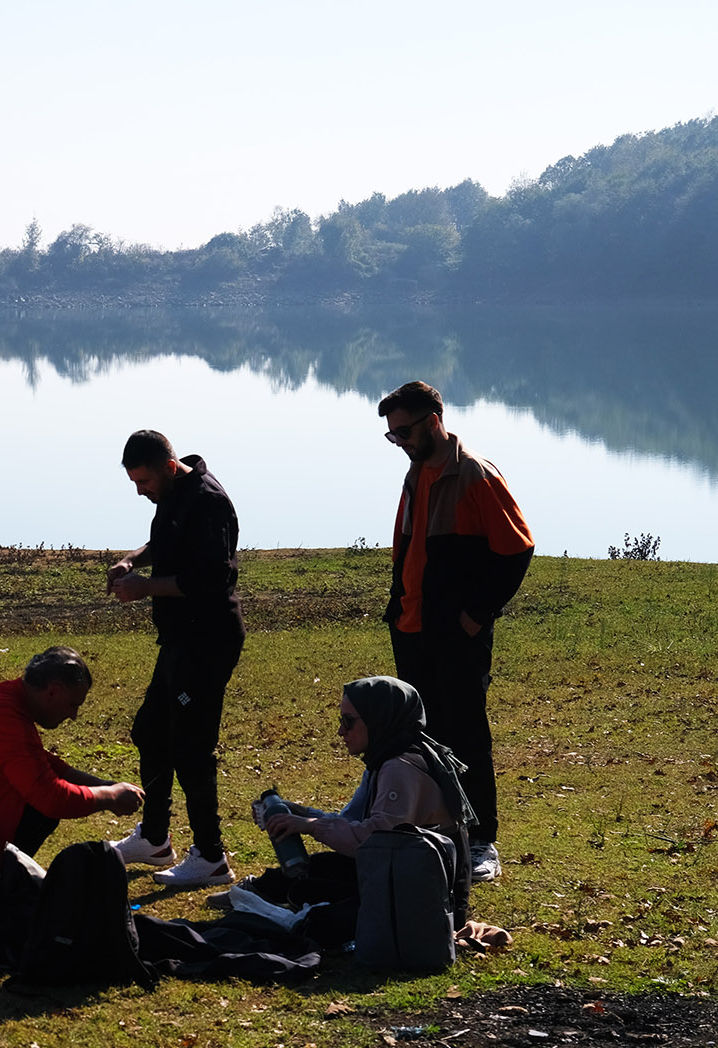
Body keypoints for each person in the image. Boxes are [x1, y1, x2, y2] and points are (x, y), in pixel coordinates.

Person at [378, 382, 533, 883]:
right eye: (391, 434)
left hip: (455, 632)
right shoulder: (415, 472)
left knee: (465, 732)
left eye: (404, 430)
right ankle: (442, 827)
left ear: (434, 419)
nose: (399, 440)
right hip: (412, 626)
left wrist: (476, 614)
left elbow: (517, 549)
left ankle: (482, 838)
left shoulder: (475, 476)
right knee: (424, 735)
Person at [222, 676, 475, 943]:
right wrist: (299, 813)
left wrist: (310, 826)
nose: (341, 731)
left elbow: (375, 843)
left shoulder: (400, 767)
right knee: (313, 872)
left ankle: (268, 902)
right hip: (408, 876)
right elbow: (351, 822)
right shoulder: (387, 756)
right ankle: (263, 891)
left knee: (312, 904)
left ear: (377, 718)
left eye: (348, 721)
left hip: (428, 899)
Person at [105, 429, 247, 888]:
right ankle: (154, 838)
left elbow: (210, 580)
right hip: (178, 640)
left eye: (143, 481)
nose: (140, 491)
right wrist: (132, 560)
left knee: (191, 747)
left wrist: (145, 588)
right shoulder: (173, 494)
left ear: (167, 466)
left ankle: (210, 855)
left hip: (208, 639)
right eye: (133, 483)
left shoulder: (208, 502)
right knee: (150, 731)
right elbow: (164, 548)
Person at [0, 646, 143, 859]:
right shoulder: (3, 716)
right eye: (73, 705)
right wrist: (110, 796)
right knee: (37, 809)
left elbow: (39, 760)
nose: (73, 716)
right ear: (52, 692)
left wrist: (103, 784)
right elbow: (50, 798)